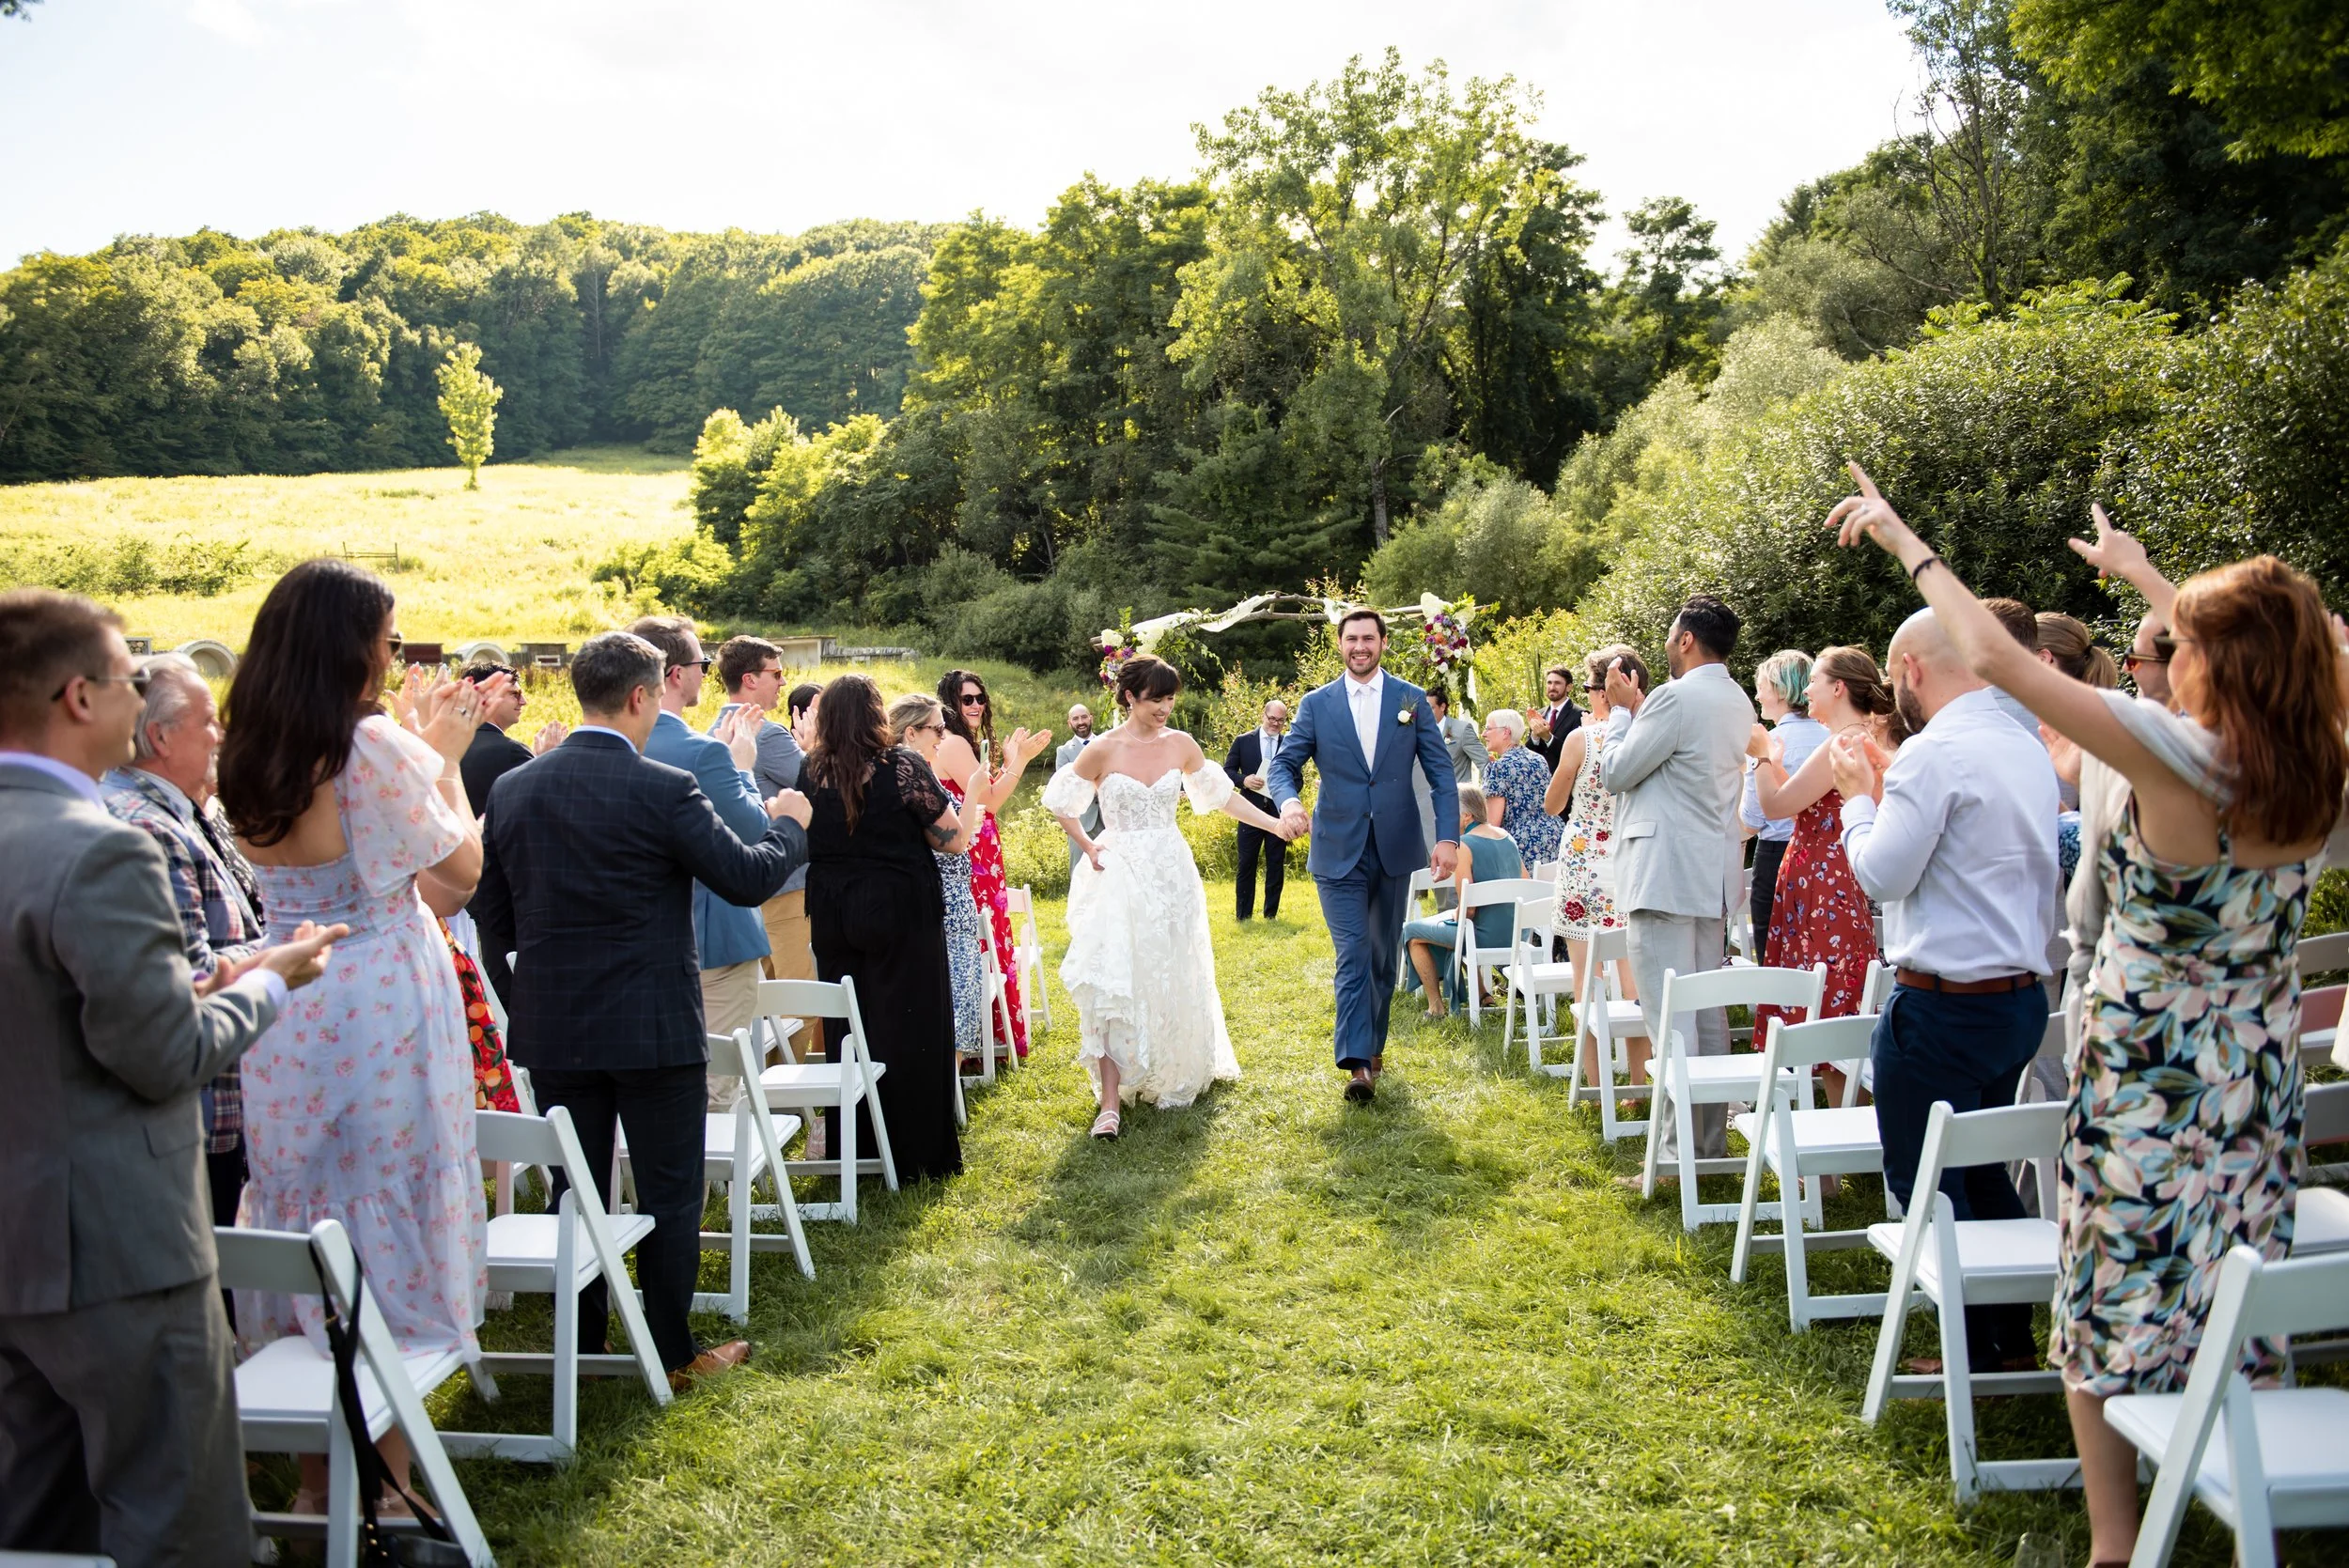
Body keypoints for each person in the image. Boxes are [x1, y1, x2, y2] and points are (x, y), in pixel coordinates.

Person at [1835, 473, 2348, 1567]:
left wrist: (1907, 543)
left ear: (2213, 661)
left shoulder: (2179, 757)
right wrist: (2148, 578)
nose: (2171, 652)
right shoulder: (2316, 774)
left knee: (2104, 1292)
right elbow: (2278, 648)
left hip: (2144, 1074)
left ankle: (2115, 1544)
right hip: (2253, 1084)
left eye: (2183, 641)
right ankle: (2226, 1457)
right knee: (2229, 1272)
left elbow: (2009, 664)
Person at [0, 588, 340, 1568]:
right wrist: (269, 984)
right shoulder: (102, 848)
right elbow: (164, 1056)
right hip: (114, 1245)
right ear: (77, 698)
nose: (136, 696)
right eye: (124, 678)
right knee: (174, 1515)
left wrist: (192, 985)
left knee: (34, 1514)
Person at [214, 557, 499, 1512]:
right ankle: (389, 1482)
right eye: (386, 631)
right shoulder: (367, 748)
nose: (393, 647)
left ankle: (310, 1479)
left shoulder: (248, 748)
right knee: (388, 1207)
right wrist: (448, 759)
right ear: (352, 646)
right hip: (380, 995)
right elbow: (458, 878)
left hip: (289, 999)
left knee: (305, 1210)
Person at [472, 631, 804, 1390]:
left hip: (558, 1023)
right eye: (657, 696)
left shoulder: (515, 789)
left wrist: (558, 950)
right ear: (638, 697)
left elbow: (495, 911)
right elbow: (746, 875)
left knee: (576, 1188)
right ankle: (670, 1349)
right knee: (668, 1188)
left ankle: (583, 1342)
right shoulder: (663, 787)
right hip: (652, 1021)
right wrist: (791, 823)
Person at [1048, 655, 1290, 1134]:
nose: (1166, 707)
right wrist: (1089, 845)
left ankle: (1173, 1068)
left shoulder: (1181, 744)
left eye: (1170, 697)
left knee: (1172, 968)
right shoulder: (1101, 749)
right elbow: (1061, 802)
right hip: (1118, 871)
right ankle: (1111, 1103)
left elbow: (1222, 798)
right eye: (1157, 698)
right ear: (1130, 697)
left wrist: (1275, 823)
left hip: (1171, 872)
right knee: (1115, 975)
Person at [101, 653, 269, 1233]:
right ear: (160, 737)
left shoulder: (194, 809)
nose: (220, 734)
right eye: (207, 721)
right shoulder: (147, 828)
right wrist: (283, 954)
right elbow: (192, 974)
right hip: (199, 1111)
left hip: (222, 1098)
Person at [1269, 609, 1460, 1104]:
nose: (1360, 646)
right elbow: (1285, 765)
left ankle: (1372, 1048)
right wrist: (1290, 803)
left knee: (1379, 956)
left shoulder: (1410, 699)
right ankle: (1358, 1065)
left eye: (1368, 638)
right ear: (1340, 644)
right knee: (1352, 952)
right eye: (1351, 638)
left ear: (1383, 643)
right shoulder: (1317, 704)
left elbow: (1442, 776)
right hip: (1337, 849)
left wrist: (1448, 838)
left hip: (1395, 848)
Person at [1599, 594, 1757, 1168]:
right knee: (1706, 1014)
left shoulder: (1673, 697)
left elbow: (1617, 772)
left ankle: (1672, 1161)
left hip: (1664, 873)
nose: (1666, 644)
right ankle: (1706, 1146)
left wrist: (1619, 713)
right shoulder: (1738, 700)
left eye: (1670, 635)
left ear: (1687, 639)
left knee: (1669, 1016)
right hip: (1711, 874)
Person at [802, 674, 969, 1180]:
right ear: (876, 714)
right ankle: (917, 1154)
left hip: (833, 914)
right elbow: (953, 839)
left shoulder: (810, 772)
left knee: (849, 1029)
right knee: (912, 1024)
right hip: (900, 912)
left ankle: (856, 1150)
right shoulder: (901, 766)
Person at [630, 615, 780, 1101]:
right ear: (674, 673)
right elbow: (756, 830)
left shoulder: (611, 745)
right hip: (715, 936)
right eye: (701, 662)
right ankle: (717, 1178)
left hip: (637, 942)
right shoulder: (703, 753)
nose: (706, 672)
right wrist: (743, 768)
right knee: (715, 1088)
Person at [1747, 646, 1892, 1041]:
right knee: (1836, 976)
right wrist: (1777, 764)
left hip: (1820, 881)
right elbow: (1812, 803)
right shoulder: (1864, 736)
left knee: (1820, 979)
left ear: (1839, 688)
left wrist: (1759, 757)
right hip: (1839, 875)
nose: (1807, 690)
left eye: (1814, 682)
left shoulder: (1840, 743)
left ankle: (1828, 1086)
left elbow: (1776, 807)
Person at [935, 669, 1052, 1062]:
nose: (975, 705)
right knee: (984, 936)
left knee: (993, 933)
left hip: (983, 850)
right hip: (970, 855)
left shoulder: (968, 743)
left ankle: (989, 1037)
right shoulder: (951, 744)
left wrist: (1010, 760)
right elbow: (992, 803)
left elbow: (986, 794)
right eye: (966, 699)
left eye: (980, 698)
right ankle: (977, 1042)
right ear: (950, 703)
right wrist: (1019, 761)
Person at [1541, 646, 1644, 1078]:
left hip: (1584, 859)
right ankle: (1641, 1082)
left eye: (1588, 687)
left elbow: (1552, 804)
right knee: (1634, 972)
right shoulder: (1650, 732)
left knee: (1586, 972)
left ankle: (1595, 1081)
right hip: (1632, 855)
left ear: (1605, 691)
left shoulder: (1582, 739)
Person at [889, 693, 985, 1062]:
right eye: (938, 728)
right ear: (911, 733)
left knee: (954, 990)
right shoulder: (913, 775)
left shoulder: (908, 771)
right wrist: (974, 790)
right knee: (956, 992)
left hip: (947, 891)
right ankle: (947, 1089)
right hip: (944, 893)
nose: (944, 736)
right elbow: (958, 838)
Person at [1400, 784, 1524, 1018]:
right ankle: (1482, 994)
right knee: (1456, 928)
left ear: (1466, 815)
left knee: (1413, 932)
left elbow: (1469, 909)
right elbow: (1526, 883)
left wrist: (1455, 914)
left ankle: (1436, 1007)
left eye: (1449, 812)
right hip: (1517, 934)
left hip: (1482, 938)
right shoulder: (1508, 838)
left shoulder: (1464, 845)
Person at [1736, 649, 1826, 947]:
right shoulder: (1831, 737)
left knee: (1774, 951)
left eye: (1761, 686)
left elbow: (1751, 820)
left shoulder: (1767, 743)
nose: (1758, 696)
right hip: (1826, 859)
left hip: (1777, 859)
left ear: (1779, 688)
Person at [457, 658, 562, 812]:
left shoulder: (449, 745)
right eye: (515, 694)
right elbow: (540, 806)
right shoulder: (512, 752)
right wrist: (545, 763)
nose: (523, 701)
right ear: (489, 697)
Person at [1221, 697, 1292, 921]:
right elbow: (1227, 771)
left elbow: (1296, 778)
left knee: (1275, 863)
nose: (1275, 724)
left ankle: (1270, 914)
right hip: (1249, 810)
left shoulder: (1288, 744)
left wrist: (1285, 789)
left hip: (1277, 812)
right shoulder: (1244, 741)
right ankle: (1243, 915)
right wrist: (1245, 780)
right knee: (1246, 862)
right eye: (1272, 718)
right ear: (1263, 715)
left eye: (1281, 721)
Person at [1477, 709, 1562, 869]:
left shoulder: (1498, 767)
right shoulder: (1538, 759)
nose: (1483, 734)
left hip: (1522, 846)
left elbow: (1493, 823)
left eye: (1488, 728)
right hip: (1554, 838)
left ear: (1505, 732)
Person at [1056, 703, 1104, 877]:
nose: (1080, 721)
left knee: (1111, 871)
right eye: (1075, 719)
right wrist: (1097, 786)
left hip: (1109, 819)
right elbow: (1065, 789)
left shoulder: (1106, 743)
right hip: (1081, 822)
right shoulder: (1064, 752)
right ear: (1070, 723)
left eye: (1084, 717)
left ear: (1091, 718)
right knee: (1079, 873)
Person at [1525, 663, 1582, 772]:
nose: (1552, 687)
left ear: (1569, 687)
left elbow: (1575, 755)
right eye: (1549, 683)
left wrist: (1548, 738)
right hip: (1539, 779)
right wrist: (1534, 737)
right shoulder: (1539, 713)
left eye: (1557, 683)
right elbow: (1529, 753)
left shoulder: (1579, 714)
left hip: (1564, 780)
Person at [1426, 688, 1489, 783]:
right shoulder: (1418, 731)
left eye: (1431, 708)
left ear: (1442, 707)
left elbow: (1484, 763)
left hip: (1456, 794)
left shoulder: (1462, 729)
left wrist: (1488, 793)